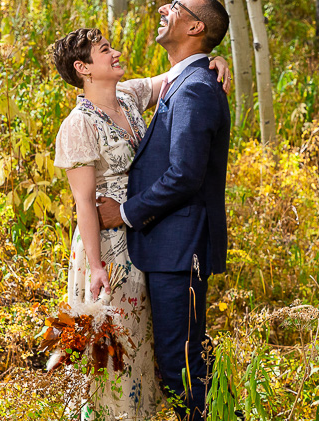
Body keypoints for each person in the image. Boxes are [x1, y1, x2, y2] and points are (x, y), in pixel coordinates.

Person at [49, 26, 230, 420]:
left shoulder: (129, 97)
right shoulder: (78, 125)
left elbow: (181, 72)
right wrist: (96, 266)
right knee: (116, 351)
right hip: (109, 246)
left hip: (146, 235)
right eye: (104, 50)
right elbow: (84, 204)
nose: (115, 53)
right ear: (83, 68)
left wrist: (216, 60)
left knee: (147, 345)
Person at [97, 0, 233, 421]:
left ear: (195, 27)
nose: (162, 9)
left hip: (180, 248)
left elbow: (184, 176)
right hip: (167, 247)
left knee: (184, 368)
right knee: (183, 363)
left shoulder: (194, 89)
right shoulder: (183, 81)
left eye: (175, 6)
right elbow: (107, 90)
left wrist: (124, 212)